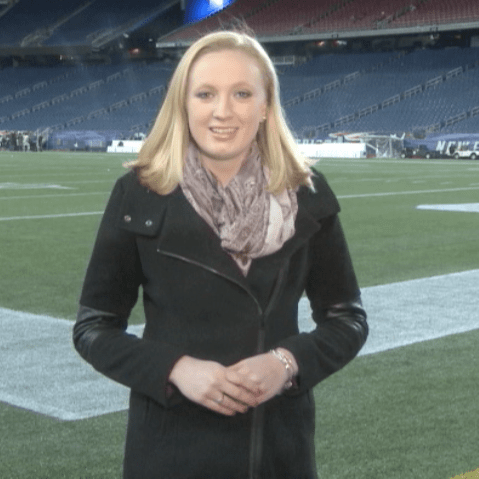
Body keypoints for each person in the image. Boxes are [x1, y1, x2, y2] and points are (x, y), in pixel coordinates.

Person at [73, 29, 368, 479]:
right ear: (183, 103)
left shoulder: (307, 195)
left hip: (277, 451)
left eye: (242, 94)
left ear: (266, 106)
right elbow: (94, 328)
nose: (223, 111)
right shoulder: (138, 193)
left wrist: (286, 363)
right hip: (169, 451)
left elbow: (347, 319)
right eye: (205, 94)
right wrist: (175, 369)